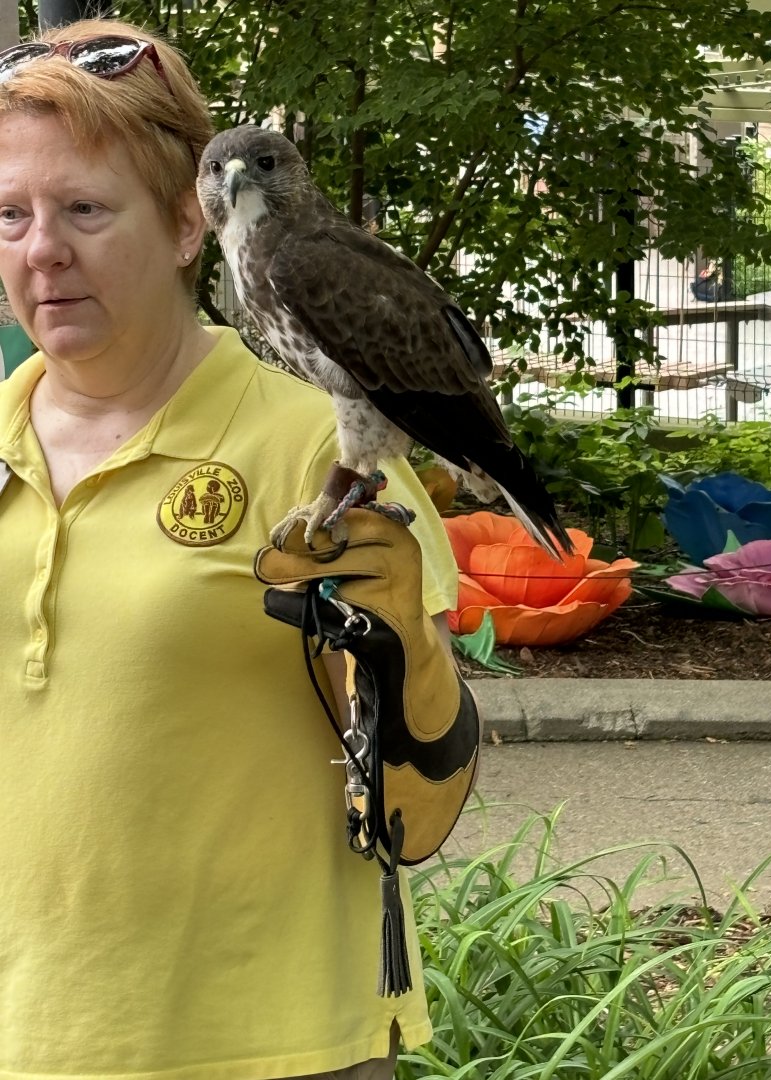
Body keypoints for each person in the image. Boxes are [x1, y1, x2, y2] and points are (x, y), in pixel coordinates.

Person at [0, 18, 469, 1080]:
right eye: (9, 214)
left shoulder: (321, 440)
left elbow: (426, 801)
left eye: (83, 209)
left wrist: (399, 648)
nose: (42, 250)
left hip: (276, 1045)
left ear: (184, 224)